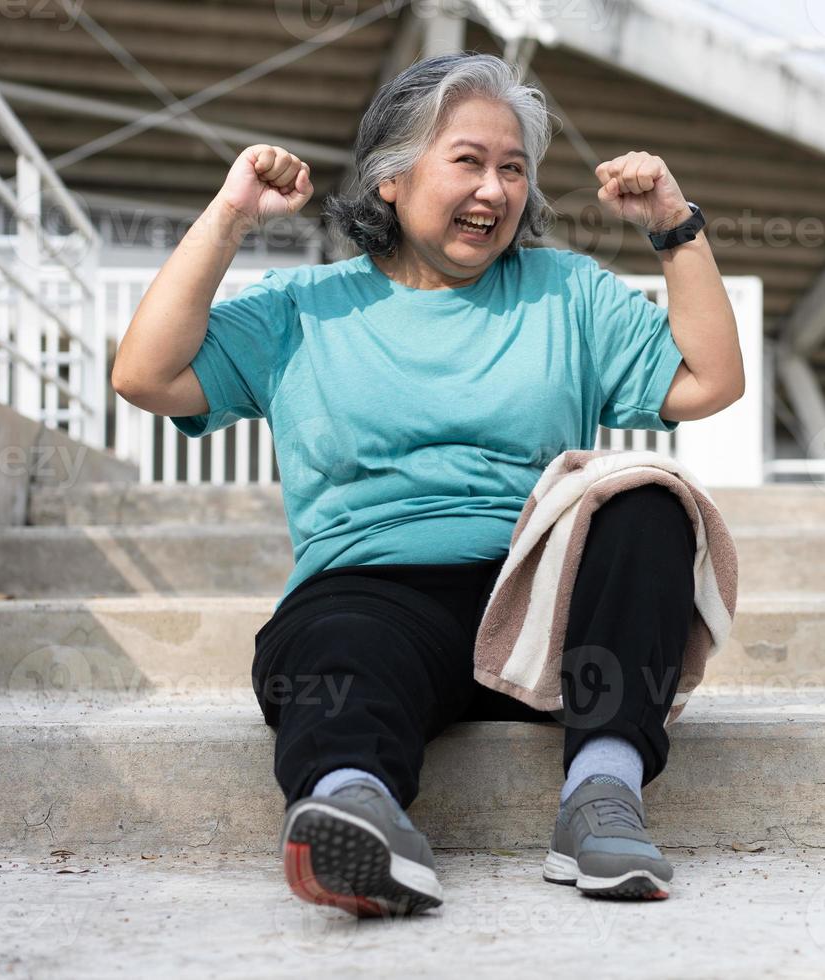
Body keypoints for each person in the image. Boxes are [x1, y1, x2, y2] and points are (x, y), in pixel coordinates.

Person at [111, 52, 745, 913]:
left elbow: (710, 382)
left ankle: (603, 796)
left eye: (513, 168)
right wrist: (231, 216)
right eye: (469, 162)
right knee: (333, 646)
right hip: (375, 599)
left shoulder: (566, 292)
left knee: (645, 497)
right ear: (391, 180)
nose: (495, 189)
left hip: (538, 613)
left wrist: (675, 226)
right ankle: (354, 815)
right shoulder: (304, 308)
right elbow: (145, 376)